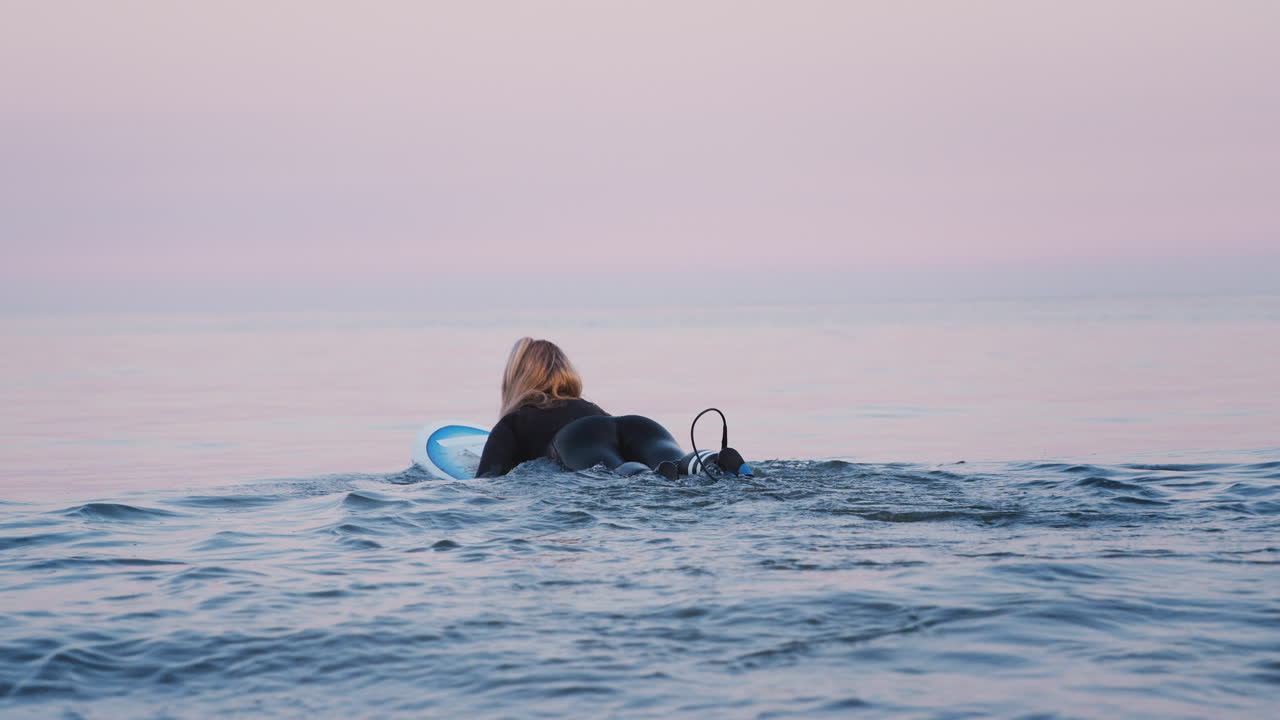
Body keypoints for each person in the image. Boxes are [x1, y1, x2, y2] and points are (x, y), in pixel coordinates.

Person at [475, 337, 747, 479]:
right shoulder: (590, 406)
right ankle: (712, 461)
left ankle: (643, 478)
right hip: (638, 426)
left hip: (578, 440)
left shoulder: (515, 422)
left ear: (516, 380)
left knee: (620, 475)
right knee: (676, 465)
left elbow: (488, 480)